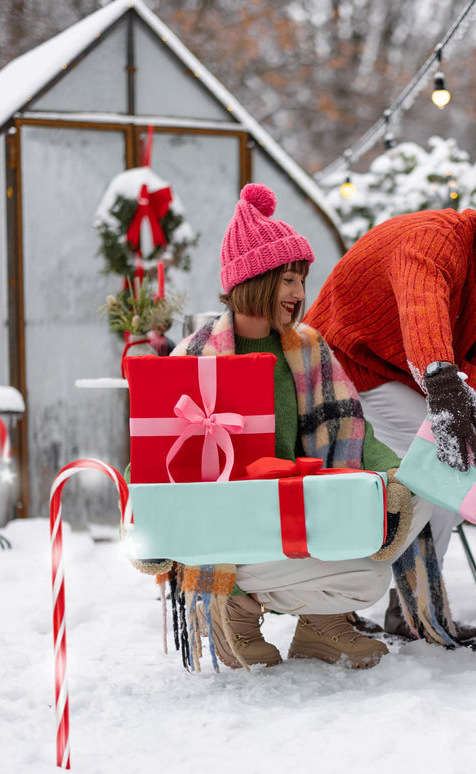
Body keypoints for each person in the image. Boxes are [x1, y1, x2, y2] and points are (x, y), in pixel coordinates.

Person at [154, 182, 431, 671]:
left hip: (297, 514)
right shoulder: (195, 357)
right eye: (287, 280)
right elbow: (158, 451)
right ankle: (231, 607)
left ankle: (320, 625)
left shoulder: (307, 347)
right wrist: (149, 515)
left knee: (382, 557)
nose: (300, 293)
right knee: (257, 556)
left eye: (302, 280)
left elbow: (352, 429)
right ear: (255, 278)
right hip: (232, 530)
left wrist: (395, 479)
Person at [305, 147, 476, 649]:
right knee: (440, 462)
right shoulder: (433, 240)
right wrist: (446, 388)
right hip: (338, 366)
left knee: (457, 463)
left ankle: (410, 607)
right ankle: (412, 606)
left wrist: (473, 405)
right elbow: (422, 307)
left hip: (402, 376)